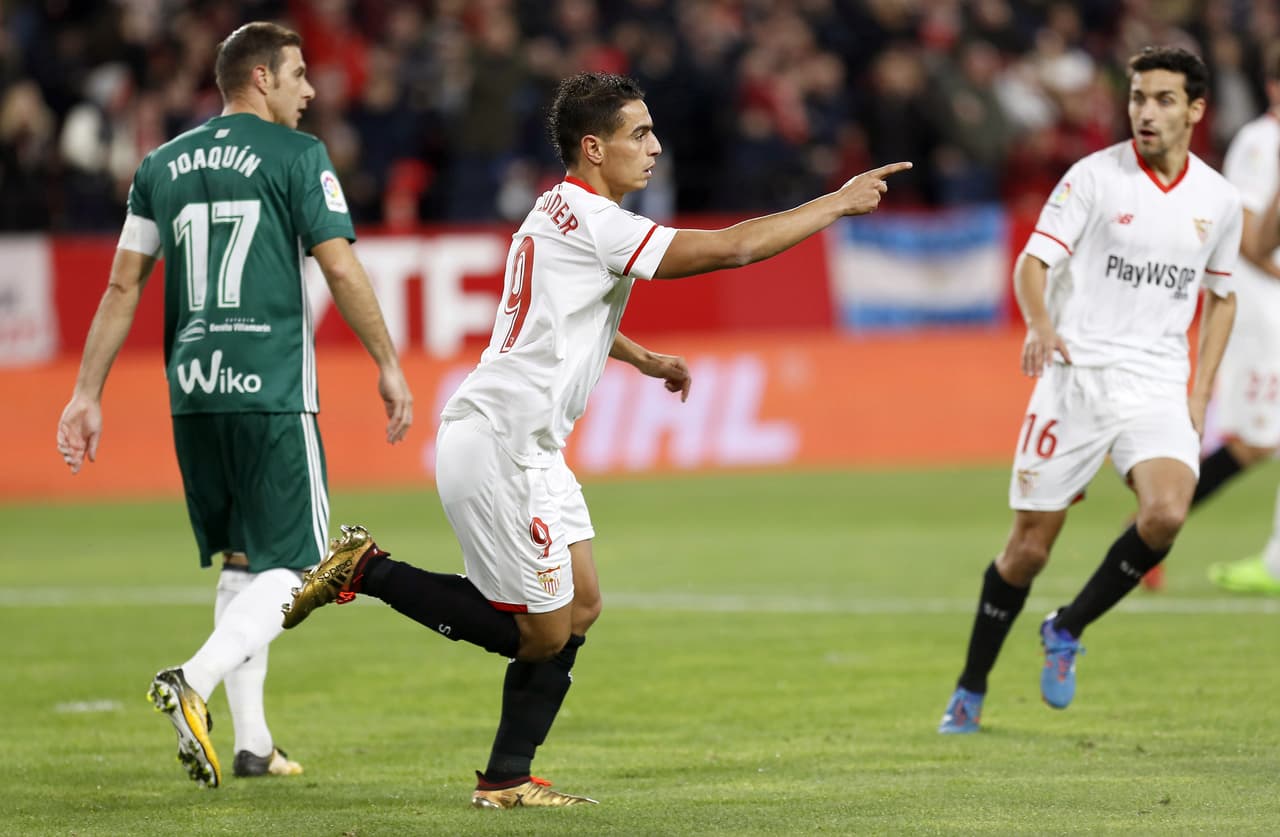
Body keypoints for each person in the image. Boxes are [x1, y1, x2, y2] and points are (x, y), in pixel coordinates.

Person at [281, 71, 910, 807]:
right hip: (500, 442)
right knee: (540, 633)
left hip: (529, 445)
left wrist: (643, 358)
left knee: (580, 605)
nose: (655, 147)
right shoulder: (596, 218)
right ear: (593, 146)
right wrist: (837, 203)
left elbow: (564, 315)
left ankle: (507, 778)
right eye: (638, 134)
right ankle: (367, 567)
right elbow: (731, 249)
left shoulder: (563, 212)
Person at [55, 22, 413, 788]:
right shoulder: (297, 156)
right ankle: (193, 676)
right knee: (306, 564)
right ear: (259, 78)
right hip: (272, 386)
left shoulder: (160, 164)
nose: (311, 91)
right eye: (299, 75)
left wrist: (87, 392)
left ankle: (254, 743)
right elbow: (341, 268)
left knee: (245, 560)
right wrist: (388, 363)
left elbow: (124, 285)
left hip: (194, 391)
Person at [937, 46, 1241, 734]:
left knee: (1166, 513)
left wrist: (1199, 394)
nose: (1146, 111)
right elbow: (1032, 262)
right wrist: (1042, 323)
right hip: (1075, 377)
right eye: (1138, 97)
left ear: (1196, 110)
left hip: (1157, 382)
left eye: (1164, 99)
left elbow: (1223, 299)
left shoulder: (1219, 201)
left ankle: (1066, 627)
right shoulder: (1094, 179)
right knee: (1029, 550)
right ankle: (970, 685)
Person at [1194, 44, 1280, 597]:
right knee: (1254, 441)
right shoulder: (1258, 142)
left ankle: (1276, 563)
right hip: (1259, 309)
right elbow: (1250, 241)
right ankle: (1150, 525)